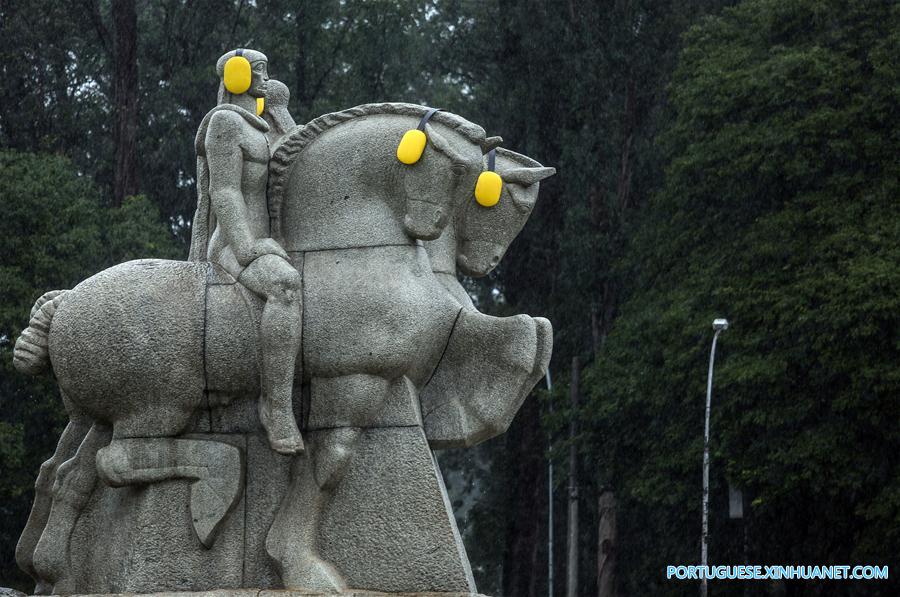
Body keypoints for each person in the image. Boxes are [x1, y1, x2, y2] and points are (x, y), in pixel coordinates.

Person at [189, 49, 304, 455]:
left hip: (271, 241)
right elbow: (224, 190)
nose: (265, 77)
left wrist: (280, 111)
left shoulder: (264, 128)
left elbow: (300, 155)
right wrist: (247, 247)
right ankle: (276, 406)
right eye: (259, 71)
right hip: (235, 244)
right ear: (236, 76)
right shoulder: (225, 124)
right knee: (285, 286)